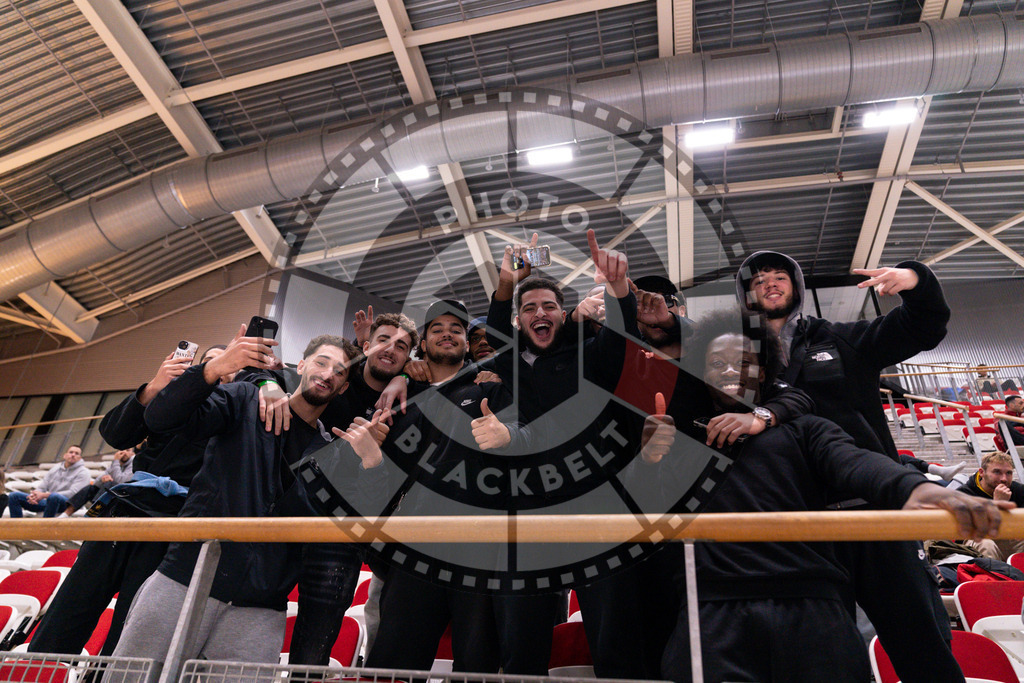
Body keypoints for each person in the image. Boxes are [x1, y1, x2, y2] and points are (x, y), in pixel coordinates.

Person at [636, 311, 1011, 683]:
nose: (731, 371)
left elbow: (854, 462)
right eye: (717, 363)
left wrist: (918, 488)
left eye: (744, 362)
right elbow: (649, 514)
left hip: (812, 607)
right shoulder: (682, 442)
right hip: (713, 612)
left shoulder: (805, 428)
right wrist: (648, 462)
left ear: (764, 372)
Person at [736, 250, 963, 683]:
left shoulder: (841, 338)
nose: (769, 283)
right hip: (798, 525)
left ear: (796, 288)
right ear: (745, 296)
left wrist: (915, 279)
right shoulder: (735, 361)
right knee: (825, 656)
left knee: (921, 641)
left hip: (872, 512)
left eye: (779, 276)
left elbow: (924, 326)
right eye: (758, 279)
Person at [108, 330, 384, 678]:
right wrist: (212, 370)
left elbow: (365, 525)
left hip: (262, 605)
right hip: (185, 577)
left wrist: (374, 465)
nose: (328, 373)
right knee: (128, 677)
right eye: (321, 362)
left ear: (344, 387)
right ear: (301, 365)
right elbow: (161, 418)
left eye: (340, 371)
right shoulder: (243, 400)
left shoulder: (335, 454)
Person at [29, 344, 228, 657]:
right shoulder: (171, 399)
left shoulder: (237, 409)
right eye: (211, 361)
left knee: (131, 630)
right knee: (69, 609)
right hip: (125, 511)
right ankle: (35, 673)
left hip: (177, 524)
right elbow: (116, 433)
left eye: (228, 364)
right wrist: (152, 388)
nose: (218, 369)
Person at [365, 299, 528, 674]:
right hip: (415, 548)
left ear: (469, 344)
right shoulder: (402, 401)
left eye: (457, 329)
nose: (447, 334)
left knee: (476, 664)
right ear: (423, 343)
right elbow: (385, 479)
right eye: (437, 329)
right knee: (395, 662)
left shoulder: (494, 386)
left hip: (481, 549)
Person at [957, 452, 1024, 560]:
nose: (1004, 479)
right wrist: (996, 504)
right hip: (976, 541)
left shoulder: (1019, 490)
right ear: (982, 472)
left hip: (1009, 540)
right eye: (997, 472)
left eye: (1008, 473)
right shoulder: (964, 494)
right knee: (985, 544)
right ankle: (991, 577)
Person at [8, 445, 89, 518]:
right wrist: (34, 496)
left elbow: (73, 493)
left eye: (76, 453)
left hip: (68, 505)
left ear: (80, 458)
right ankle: (16, 530)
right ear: (65, 455)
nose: (73, 455)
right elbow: (43, 486)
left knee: (54, 497)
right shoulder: (56, 468)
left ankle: (45, 530)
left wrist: (44, 495)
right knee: (13, 496)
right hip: (50, 502)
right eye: (71, 452)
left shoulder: (83, 472)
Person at [63, 447, 136, 515]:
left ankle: (94, 512)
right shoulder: (114, 465)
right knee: (90, 488)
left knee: (109, 484)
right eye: (121, 450)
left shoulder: (134, 463)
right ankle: (65, 515)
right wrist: (102, 479)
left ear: (132, 453)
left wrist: (116, 461)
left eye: (127, 450)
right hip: (111, 496)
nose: (124, 452)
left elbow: (121, 481)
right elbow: (96, 483)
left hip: (125, 496)